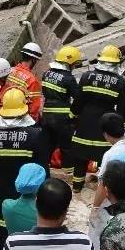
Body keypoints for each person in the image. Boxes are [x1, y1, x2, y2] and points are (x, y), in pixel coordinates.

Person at [0, 87, 49, 250]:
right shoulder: (35, 135)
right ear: (24, 108)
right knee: (29, 241)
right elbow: (43, 172)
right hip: (28, 200)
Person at [70, 45, 125, 191]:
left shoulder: (86, 76)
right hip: (105, 125)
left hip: (84, 123)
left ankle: (76, 186)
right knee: (105, 159)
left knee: (80, 158)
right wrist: (121, 128)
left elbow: (78, 101)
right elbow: (121, 109)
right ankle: (104, 189)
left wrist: (73, 116)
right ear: (116, 63)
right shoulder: (119, 82)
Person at [40, 46, 83, 184]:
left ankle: (44, 174)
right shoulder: (68, 78)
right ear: (69, 63)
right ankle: (68, 178)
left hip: (46, 116)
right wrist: (74, 115)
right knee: (67, 148)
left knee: (47, 146)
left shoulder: (46, 73)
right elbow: (78, 98)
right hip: (62, 118)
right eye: (75, 65)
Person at [7, 42, 46, 120]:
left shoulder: (9, 71)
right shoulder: (32, 80)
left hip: (5, 113)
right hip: (21, 118)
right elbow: (34, 108)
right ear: (33, 60)